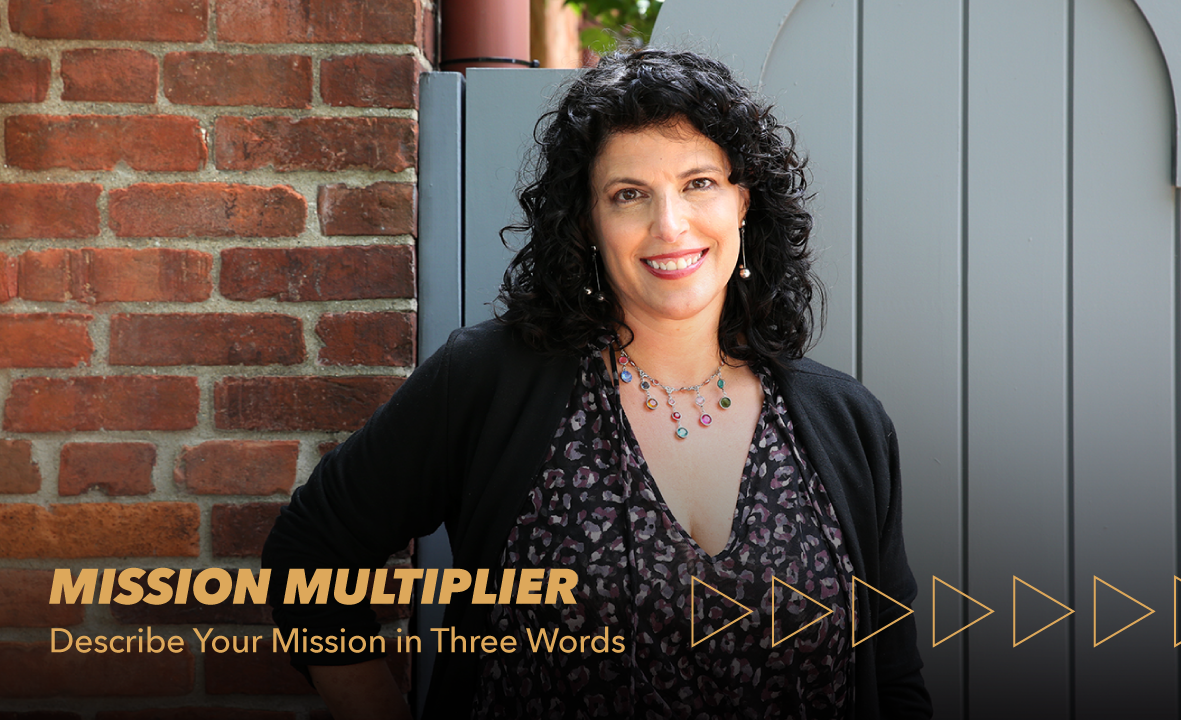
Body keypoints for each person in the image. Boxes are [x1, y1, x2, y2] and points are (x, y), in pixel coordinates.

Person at [262, 49, 931, 719]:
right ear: (586, 223)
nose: (669, 225)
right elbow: (310, 555)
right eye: (629, 195)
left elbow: (894, 675)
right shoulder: (492, 383)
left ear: (743, 203)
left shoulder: (846, 421)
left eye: (699, 183)